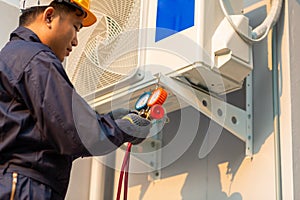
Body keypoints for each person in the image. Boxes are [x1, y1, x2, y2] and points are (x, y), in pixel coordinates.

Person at [0, 0, 151, 199]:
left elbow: (52, 134)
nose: (76, 41)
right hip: (25, 187)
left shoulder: (13, 56)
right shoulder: (36, 59)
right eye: (76, 27)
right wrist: (124, 128)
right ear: (49, 16)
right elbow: (75, 133)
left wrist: (107, 121)